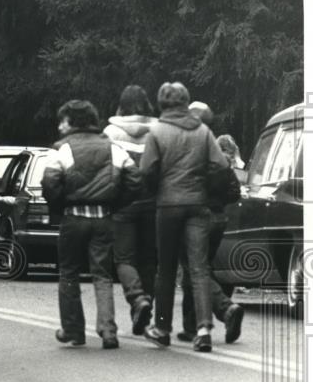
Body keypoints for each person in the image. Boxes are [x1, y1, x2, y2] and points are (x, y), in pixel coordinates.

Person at [41, 100, 141, 349]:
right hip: (103, 218)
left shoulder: (62, 149)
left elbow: (50, 183)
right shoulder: (112, 147)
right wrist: (116, 204)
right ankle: (108, 331)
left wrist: (60, 206)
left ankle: (73, 330)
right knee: (102, 274)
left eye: (62, 120)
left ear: (72, 122)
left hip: (73, 218)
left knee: (69, 272)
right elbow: (134, 180)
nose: (59, 125)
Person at [139, 82, 231, 352]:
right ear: (185, 102)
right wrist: (205, 187)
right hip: (198, 204)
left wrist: (158, 188)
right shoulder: (203, 131)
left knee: (165, 269)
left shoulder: (156, 132)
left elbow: (147, 171)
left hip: (167, 206)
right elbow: (221, 166)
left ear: (162, 103)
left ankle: (162, 328)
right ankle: (203, 330)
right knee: (199, 267)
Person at [177, 102, 245, 344]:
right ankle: (190, 327)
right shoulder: (217, 152)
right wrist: (217, 201)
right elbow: (235, 192)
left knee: (195, 270)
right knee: (196, 269)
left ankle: (226, 309)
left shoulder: (188, 149)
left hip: (195, 218)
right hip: (218, 219)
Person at [102, 84, 158, 334]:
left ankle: (137, 299)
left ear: (121, 105)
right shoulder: (158, 131)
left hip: (122, 203)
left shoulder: (110, 133)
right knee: (149, 259)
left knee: (124, 258)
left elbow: (105, 169)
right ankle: (146, 307)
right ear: (146, 104)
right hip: (152, 202)